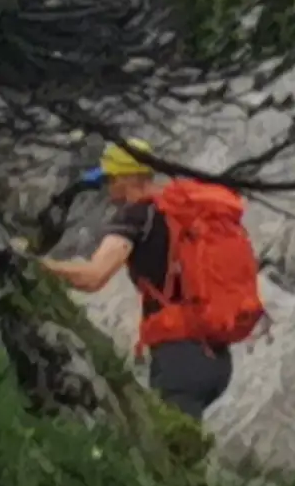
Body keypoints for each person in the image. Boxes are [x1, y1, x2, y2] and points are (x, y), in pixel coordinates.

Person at [41, 139, 260, 420]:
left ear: (130, 177)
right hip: (216, 360)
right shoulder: (177, 211)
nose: (109, 187)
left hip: (179, 361)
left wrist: (39, 266)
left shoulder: (136, 216)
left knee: (172, 458)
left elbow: (93, 277)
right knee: (180, 450)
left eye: (112, 177)